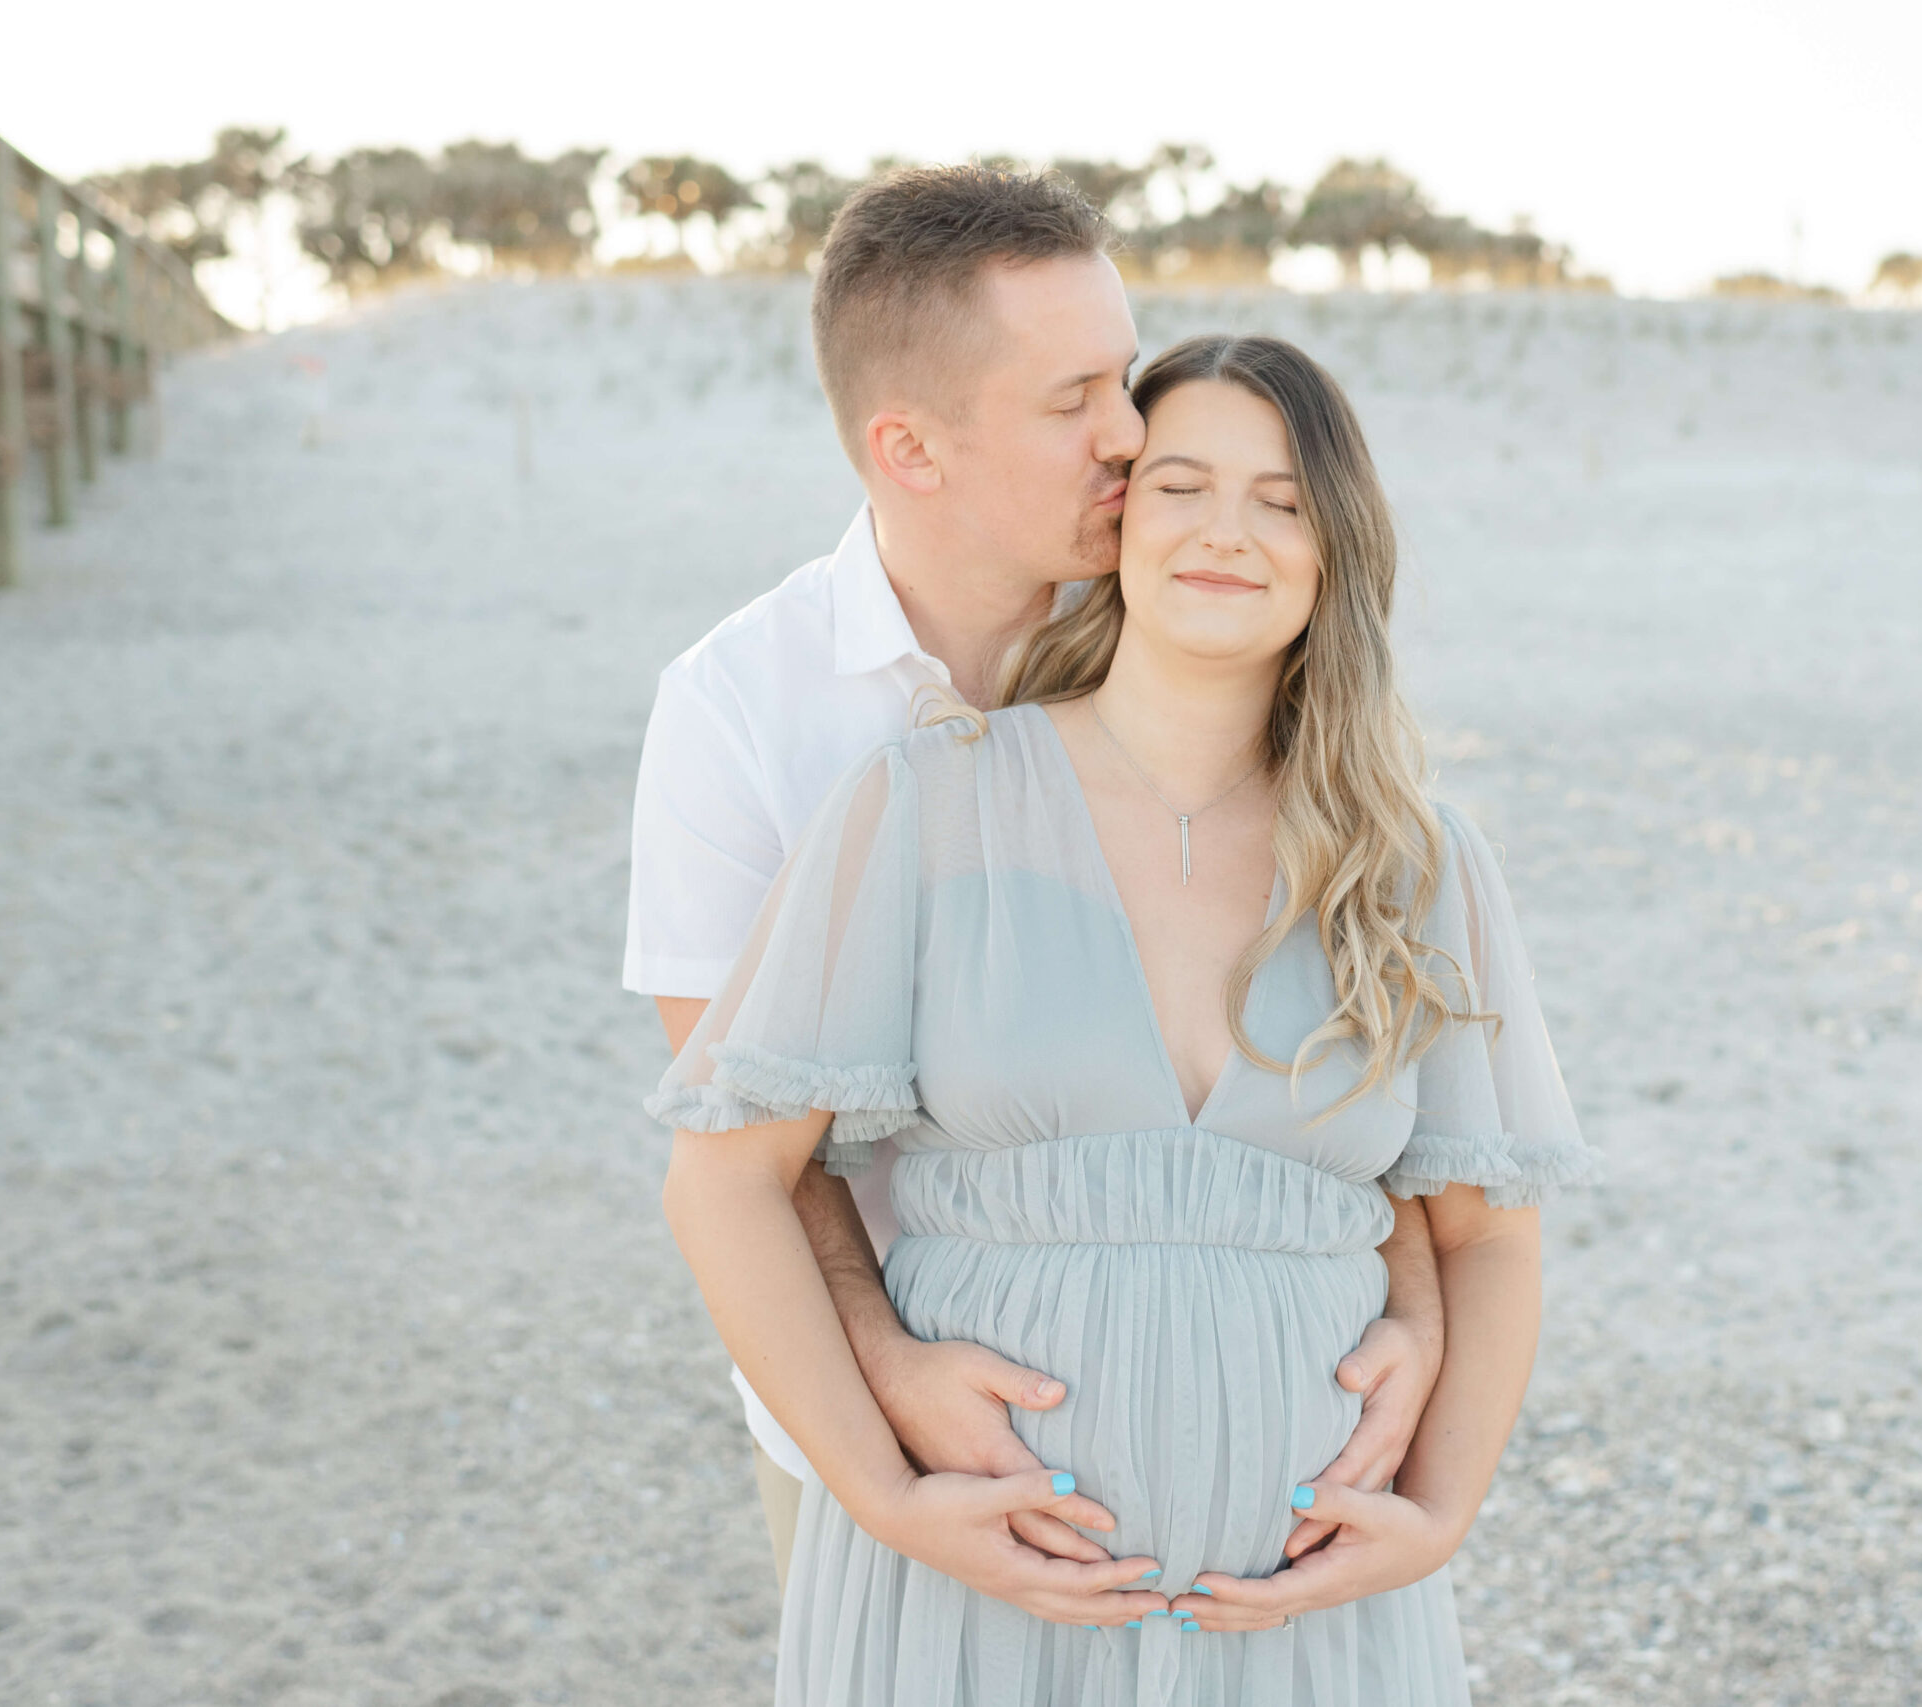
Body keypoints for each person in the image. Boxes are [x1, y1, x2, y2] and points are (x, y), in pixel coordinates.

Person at [650, 332, 1591, 1705]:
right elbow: (726, 1179)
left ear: (1337, 550)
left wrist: (1439, 1517)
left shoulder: (1415, 869)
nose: (1228, 532)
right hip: (973, 1593)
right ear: (1117, 523)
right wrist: (885, 1495)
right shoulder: (932, 805)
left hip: (1305, 1619)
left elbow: (1492, 1233)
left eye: (1281, 501)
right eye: (1183, 486)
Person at [622, 166, 1444, 1599]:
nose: (1132, 436)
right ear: (912, 448)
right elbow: (746, 1142)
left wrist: (1419, 1311)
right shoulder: (741, 709)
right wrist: (889, 1382)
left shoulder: (1195, 599)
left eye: (1123, 379)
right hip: (893, 1428)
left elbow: (1363, 981)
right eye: (1074, 401)